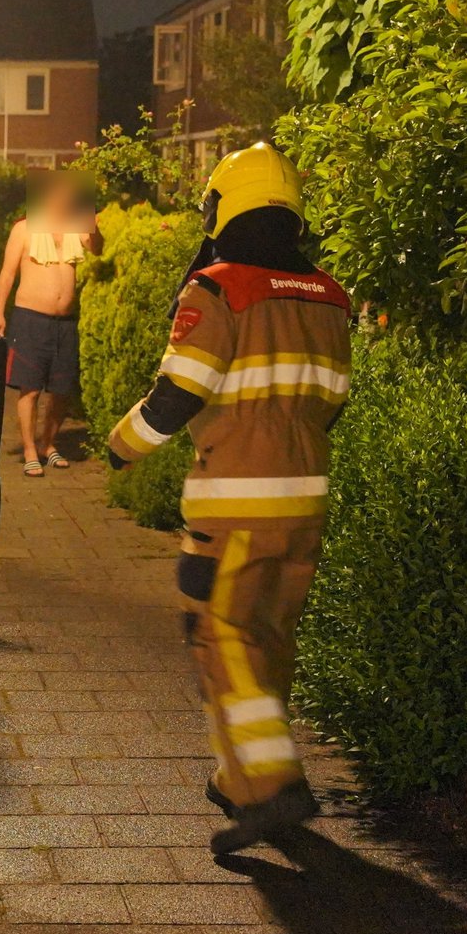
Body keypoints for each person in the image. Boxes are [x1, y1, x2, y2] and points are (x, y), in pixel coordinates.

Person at [107, 143, 351, 854]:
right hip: (306, 498)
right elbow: (333, 400)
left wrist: (120, 446)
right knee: (269, 638)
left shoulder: (218, 288)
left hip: (236, 503)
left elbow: (178, 392)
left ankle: (272, 785)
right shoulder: (329, 296)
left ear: (224, 207)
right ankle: (239, 777)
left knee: (222, 635)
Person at [0, 170, 101, 477]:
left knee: (61, 390)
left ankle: (48, 444)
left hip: (65, 323)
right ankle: (29, 450)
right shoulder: (24, 229)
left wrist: (93, 225)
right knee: (30, 389)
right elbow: (7, 274)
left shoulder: (76, 227)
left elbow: (97, 248)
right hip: (30, 319)